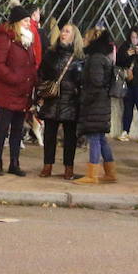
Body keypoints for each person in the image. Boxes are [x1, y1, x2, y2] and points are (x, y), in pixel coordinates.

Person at [0, 5, 38, 176]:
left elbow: (31, 64)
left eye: (29, 21)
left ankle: (14, 162)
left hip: (23, 92)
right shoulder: (5, 39)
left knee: (18, 129)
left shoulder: (28, 40)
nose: (28, 23)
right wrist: (14, 78)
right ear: (17, 22)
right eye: (25, 20)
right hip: (7, 91)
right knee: (2, 128)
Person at [38, 22, 84, 179]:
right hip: (52, 99)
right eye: (63, 31)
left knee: (70, 138)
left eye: (67, 31)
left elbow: (82, 80)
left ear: (74, 36)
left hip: (71, 101)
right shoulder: (51, 54)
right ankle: (47, 166)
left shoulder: (79, 58)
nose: (63, 33)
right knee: (49, 135)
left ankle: (68, 168)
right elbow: (42, 74)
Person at [76, 28, 117, 184]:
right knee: (100, 138)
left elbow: (96, 82)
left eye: (86, 37)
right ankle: (110, 172)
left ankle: (92, 174)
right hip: (102, 103)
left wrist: (85, 98)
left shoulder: (95, 59)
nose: (84, 40)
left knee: (94, 137)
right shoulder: (103, 57)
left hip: (95, 104)